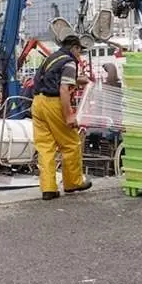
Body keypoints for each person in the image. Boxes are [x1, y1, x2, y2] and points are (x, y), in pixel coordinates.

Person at [31, 34, 93, 200]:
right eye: (80, 52)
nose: (79, 56)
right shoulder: (70, 61)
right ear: (75, 48)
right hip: (54, 104)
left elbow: (54, 79)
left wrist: (80, 80)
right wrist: (69, 116)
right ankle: (73, 182)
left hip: (37, 103)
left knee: (45, 147)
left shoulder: (52, 57)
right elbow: (64, 89)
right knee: (71, 143)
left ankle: (48, 188)